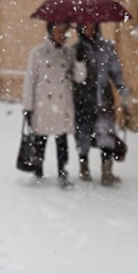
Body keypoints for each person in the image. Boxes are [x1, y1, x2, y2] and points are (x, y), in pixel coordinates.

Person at [22, 22, 86, 187]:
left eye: (64, 31)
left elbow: (79, 78)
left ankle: (63, 174)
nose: (61, 34)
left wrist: (79, 60)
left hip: (61, 104)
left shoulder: (69, 53)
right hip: (43, 105)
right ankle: (37, 173)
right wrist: (28, 108)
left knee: (62, 143)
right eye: (58, 30)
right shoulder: (37, 53)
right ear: (50, 31)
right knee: (40, 142)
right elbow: (30, 82)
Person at [73, 22, 133, 186]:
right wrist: (78, 61)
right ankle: (84, 166)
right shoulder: (76, 49)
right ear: (80, 29)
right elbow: (76, 78)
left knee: (106, 133)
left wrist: (123, 91)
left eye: (92, 27)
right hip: (83, 98)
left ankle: (107, 171)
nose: (89, 30)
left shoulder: (107, 47)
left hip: (103, 97)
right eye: (86, 27)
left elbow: (116, 71)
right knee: (83, 133)